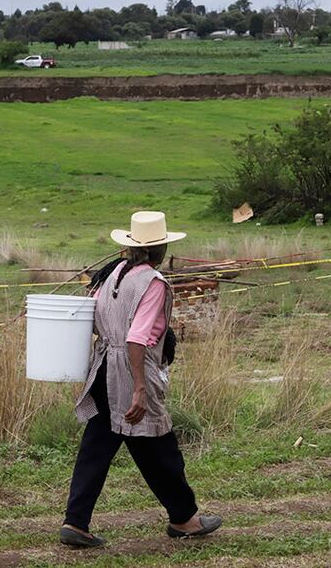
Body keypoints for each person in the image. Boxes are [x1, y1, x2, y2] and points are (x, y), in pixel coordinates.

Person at [60, 211, 222, 548]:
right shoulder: (152, 283)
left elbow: (89, 316)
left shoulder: (112, 273)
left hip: (103, 366)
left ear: (131, 246)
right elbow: (137, 339)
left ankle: (75, 523)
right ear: (160, 248)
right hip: (131, 370)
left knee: (99, 445)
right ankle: (185, 520)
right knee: (160, 447)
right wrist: (138, 388)